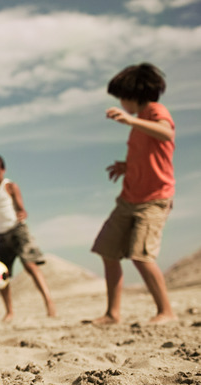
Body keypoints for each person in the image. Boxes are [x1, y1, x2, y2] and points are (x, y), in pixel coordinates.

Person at [90, 63, 177, 325]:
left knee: (140, 256)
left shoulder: (154, 112)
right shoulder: (139, 124)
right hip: (128, 198)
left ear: (133, 94)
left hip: (154, 199)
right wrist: (125, 166)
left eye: (121, 97)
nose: (121, 104)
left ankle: (166, 312)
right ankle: (112, 314)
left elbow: (167, 133)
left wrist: (132, 120)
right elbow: (147, 156)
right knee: (107, 250)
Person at [0, 153, 57, 322]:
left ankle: (49, 302)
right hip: (0, 237)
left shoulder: (10, 187)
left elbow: (21, 208)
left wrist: (23, 212)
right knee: (1, 275)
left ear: (3, 170)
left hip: (17, 231)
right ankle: (9, 312)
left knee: (30, 265)